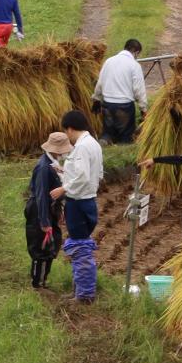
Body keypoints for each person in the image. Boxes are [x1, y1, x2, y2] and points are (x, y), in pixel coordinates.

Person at [57, 109, 104, 303]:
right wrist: (64, 172)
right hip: (88, 200)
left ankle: (84, 295)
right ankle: (80, 290)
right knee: (81, 245)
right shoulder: (93, 143)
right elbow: (97, 173)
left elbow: (82, 176)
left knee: (80, 249)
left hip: (78, 202)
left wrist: (64, 188)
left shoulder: (83, 147)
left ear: (70, 129)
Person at [24, 133, 65, 289]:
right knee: (40, 247)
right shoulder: (43, 167)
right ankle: (37, 284)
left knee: (50, 245)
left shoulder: (53, 163)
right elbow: (41, 195)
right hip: (39, 210)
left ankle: (43, 280)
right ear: (56, 150)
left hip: (50, 209)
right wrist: (44, 221)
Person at [93, 38, 148, 145]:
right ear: (136, 52)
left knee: (108, 132)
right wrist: (143, 109)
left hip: (107, 104)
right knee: (126, 136)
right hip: (124, 107)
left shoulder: (109, 61)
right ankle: (123, 149)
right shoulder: (134, 65)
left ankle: (104, 142)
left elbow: (100, 82)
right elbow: (139, 90)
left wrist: (96, 99)